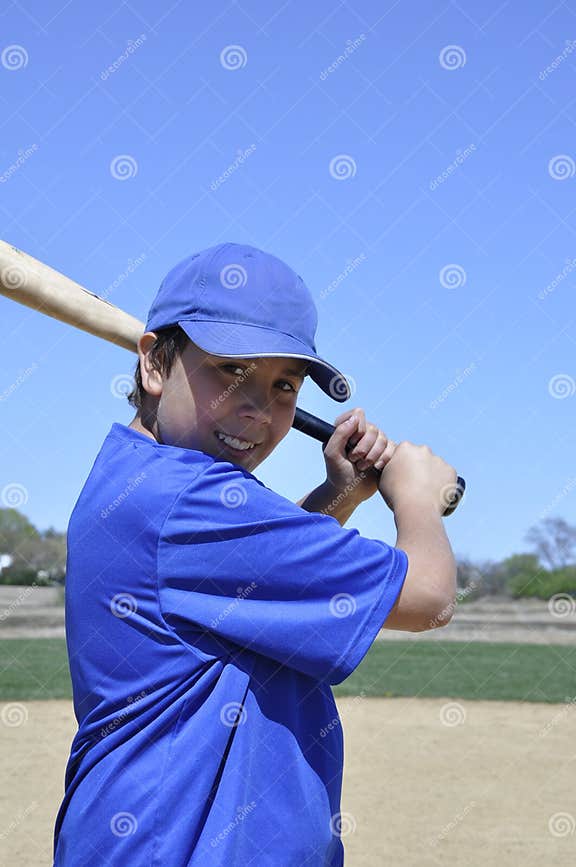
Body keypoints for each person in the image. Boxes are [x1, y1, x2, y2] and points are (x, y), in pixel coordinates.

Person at [52, 241, 458, 866]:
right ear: (154, 365)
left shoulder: (140, 478)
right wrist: (417, 496)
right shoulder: (194, 498)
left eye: (284, 385)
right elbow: (428, 597)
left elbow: (239, 595)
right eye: (231, 371)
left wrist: (338, 494)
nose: (259, 409)